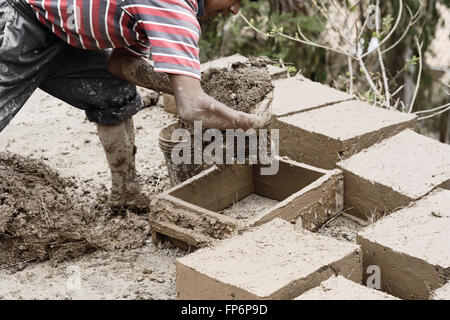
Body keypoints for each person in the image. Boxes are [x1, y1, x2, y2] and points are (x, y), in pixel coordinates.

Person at [0, 0, 269, 208]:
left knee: (112, 92)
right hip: (19, 22)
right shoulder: (174, 8)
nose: (235, 9)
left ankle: (125, 194)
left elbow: (120, 64)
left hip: (60, 35)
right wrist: (253, 123)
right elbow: (193, 108)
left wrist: (178, 85)